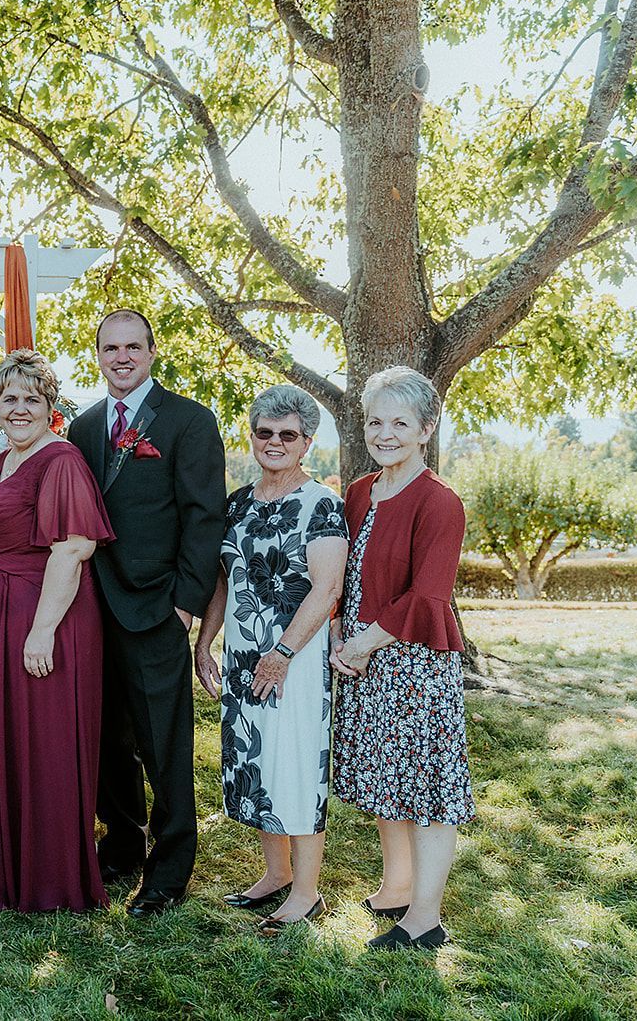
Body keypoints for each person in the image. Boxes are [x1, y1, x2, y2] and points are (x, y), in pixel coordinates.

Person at [68, 310, 225, 916]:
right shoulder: (82, 429)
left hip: (159, 608)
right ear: (99, 355)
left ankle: (169, 868)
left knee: (164, 746)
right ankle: (123, 844)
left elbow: (205, 517)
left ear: (153, 352)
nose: (122, 357)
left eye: (133, 346)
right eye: (111, 348)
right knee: (106, 738)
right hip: (94, 610)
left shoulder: (187, 420)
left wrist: (185, 606)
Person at [0, 350, 113, 911]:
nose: (19, 408)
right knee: (0, 735)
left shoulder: (61, 460)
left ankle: (48, 879)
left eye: (32, 398)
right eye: (9, 398)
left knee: (43, 741)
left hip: (42, 616)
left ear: (51, 405)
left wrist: (42, 630)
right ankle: (4, 867)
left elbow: (72, 548)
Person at [194, 385, 347, 934]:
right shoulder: (237, 502)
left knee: (298, 766)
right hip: (242, 656)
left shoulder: (320, 504)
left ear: (307, 442)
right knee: (257, 765)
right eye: (265, 432)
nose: (275, 442)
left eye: (288, 435)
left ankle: (306, 893)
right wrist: (205, 642)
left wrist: (281, 653)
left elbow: (327, 587)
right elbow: (223, 579)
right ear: (252, 436)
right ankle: (276, 874)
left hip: (295, 661)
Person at [331, 366, 473, 951]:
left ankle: (426, 919)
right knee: (383, 783)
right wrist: (342, 633)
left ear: (426, 429)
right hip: (364, 658)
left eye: (400, 423)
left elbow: (428, 593)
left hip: (414, 665)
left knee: (429, 793)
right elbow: (344, 573)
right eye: (375, 421)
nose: (384, 433)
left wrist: (360, 645)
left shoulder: (440, 502)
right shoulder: (361, 491)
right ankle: (395, 890)